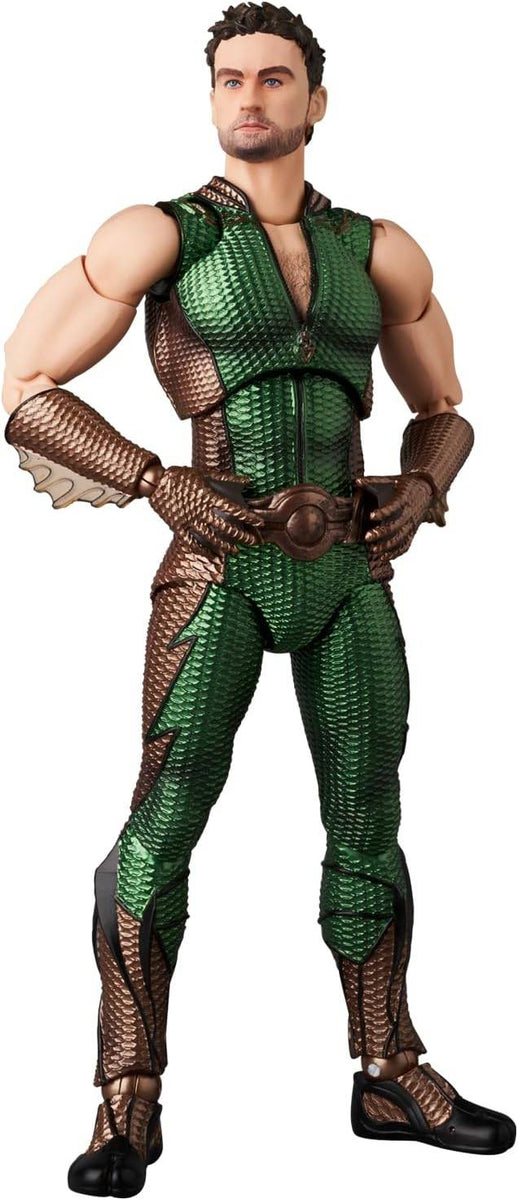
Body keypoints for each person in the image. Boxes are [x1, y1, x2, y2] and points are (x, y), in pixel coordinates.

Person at [3, 2, 514, 1194]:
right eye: (230, 79)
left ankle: (386, 1069)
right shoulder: (159, 234)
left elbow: (445, 408)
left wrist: (420, 487)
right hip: (218, 564)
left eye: (274, 79)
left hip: (346, 567)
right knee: (165, 819)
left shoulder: (377, 249)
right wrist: (153, 480)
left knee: (367, 815)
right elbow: (24, 388)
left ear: (314, 100)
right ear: (211, 97)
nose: (249, 98)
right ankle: (125, 1093)